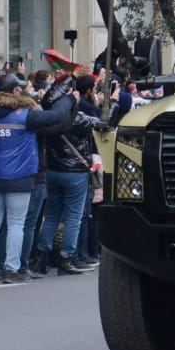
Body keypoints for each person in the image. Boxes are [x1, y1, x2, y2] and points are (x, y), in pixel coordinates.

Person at [0, 75, 73, 284]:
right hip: (19, 176)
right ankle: (12, 269)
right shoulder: (25, 115)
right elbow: (55, 117)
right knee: (16, 223)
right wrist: (69, 99)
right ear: (16, 92)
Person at [33, 75, 108, 276]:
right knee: (73, 217)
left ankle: (42, 257)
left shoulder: (48, 118)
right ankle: (66, 259)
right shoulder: (78, 118)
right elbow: (102, 124)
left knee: (51, 215)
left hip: (53, 170)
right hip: (75, 171)